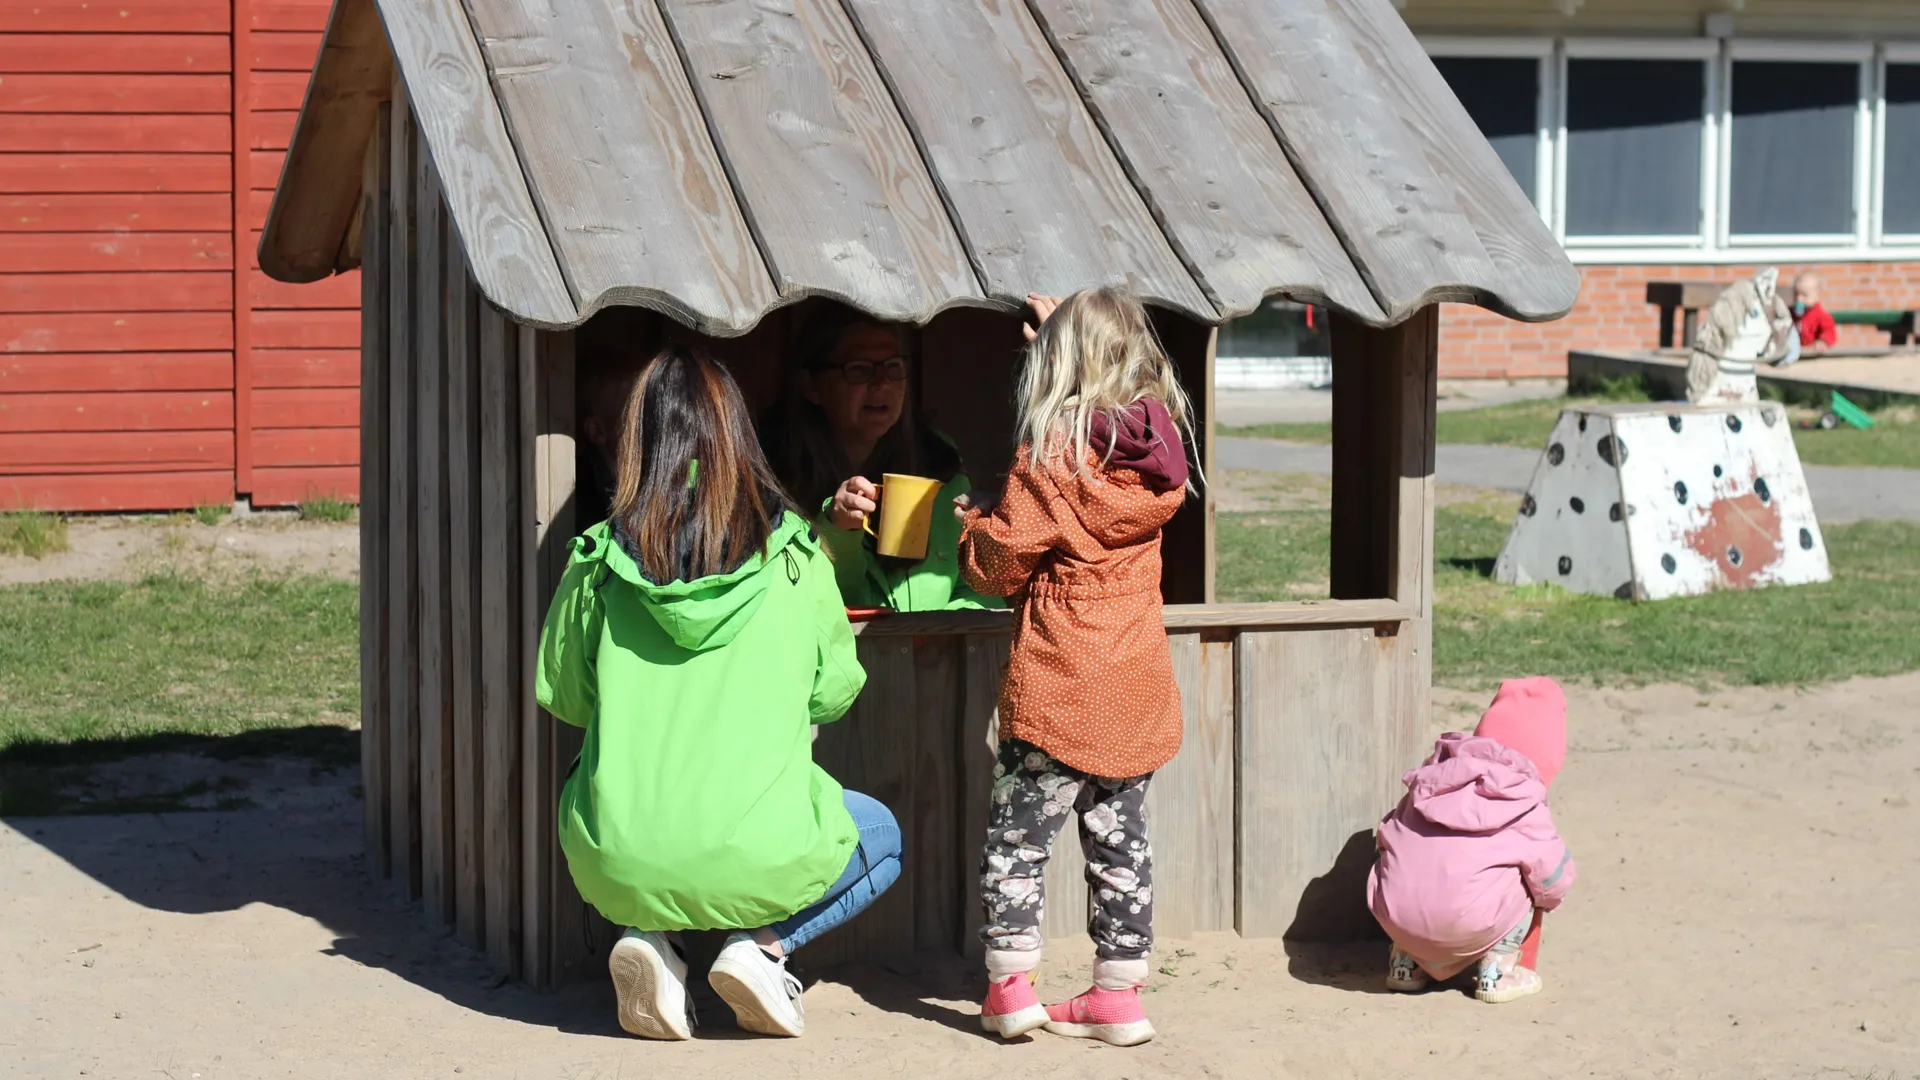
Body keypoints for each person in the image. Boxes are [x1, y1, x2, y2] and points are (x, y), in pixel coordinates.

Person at [537, 344, 902, 1041]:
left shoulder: (597, 562)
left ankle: (653, 940)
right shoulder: (797, 555)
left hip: (620, 851)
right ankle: (760, 950)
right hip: (761, 846)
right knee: (883, 835)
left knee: (642, 814)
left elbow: (567, 697)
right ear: (737, 431)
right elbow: (833, 696)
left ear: (638, 436)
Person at [956, 289, 1194, 1047]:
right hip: (1132, 687)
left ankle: (1010, 988)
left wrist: (971, 525)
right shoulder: (1161, 462)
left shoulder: (1050, 458)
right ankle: (1118, 997)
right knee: (1122, 842)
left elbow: (996, 567)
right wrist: (1062, 330)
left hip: (1059, 686)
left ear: (1057, 367)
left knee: (1017, 843)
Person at [760, 307, 996, 612]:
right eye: (858, 369)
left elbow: (978, 589)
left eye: (893, 367)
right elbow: (806, 603)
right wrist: (838, 530)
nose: (881, 383)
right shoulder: (772, 477)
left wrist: (934, 637)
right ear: (811, 386)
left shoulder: (940, 465)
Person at [1367, 677, 1576, 1004]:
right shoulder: (1525, 801)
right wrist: (1545, 901)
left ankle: (1405, 962)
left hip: (1397, 919)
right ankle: (1498, 971)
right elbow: (1553, 879)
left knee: (1413, 864)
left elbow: (1388, 836)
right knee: (1532, 881)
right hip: (1467, 925)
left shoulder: (1433, 781)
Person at [1792, 271, 1838, 356]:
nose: (1799, 299)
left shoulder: (1821, 315)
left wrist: (1823, 341)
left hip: (1812, 354)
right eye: (1796, 294)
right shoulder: (1792, 314)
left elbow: (1829, 330)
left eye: (1804, 295)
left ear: (1817, 295)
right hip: (1797, 353)